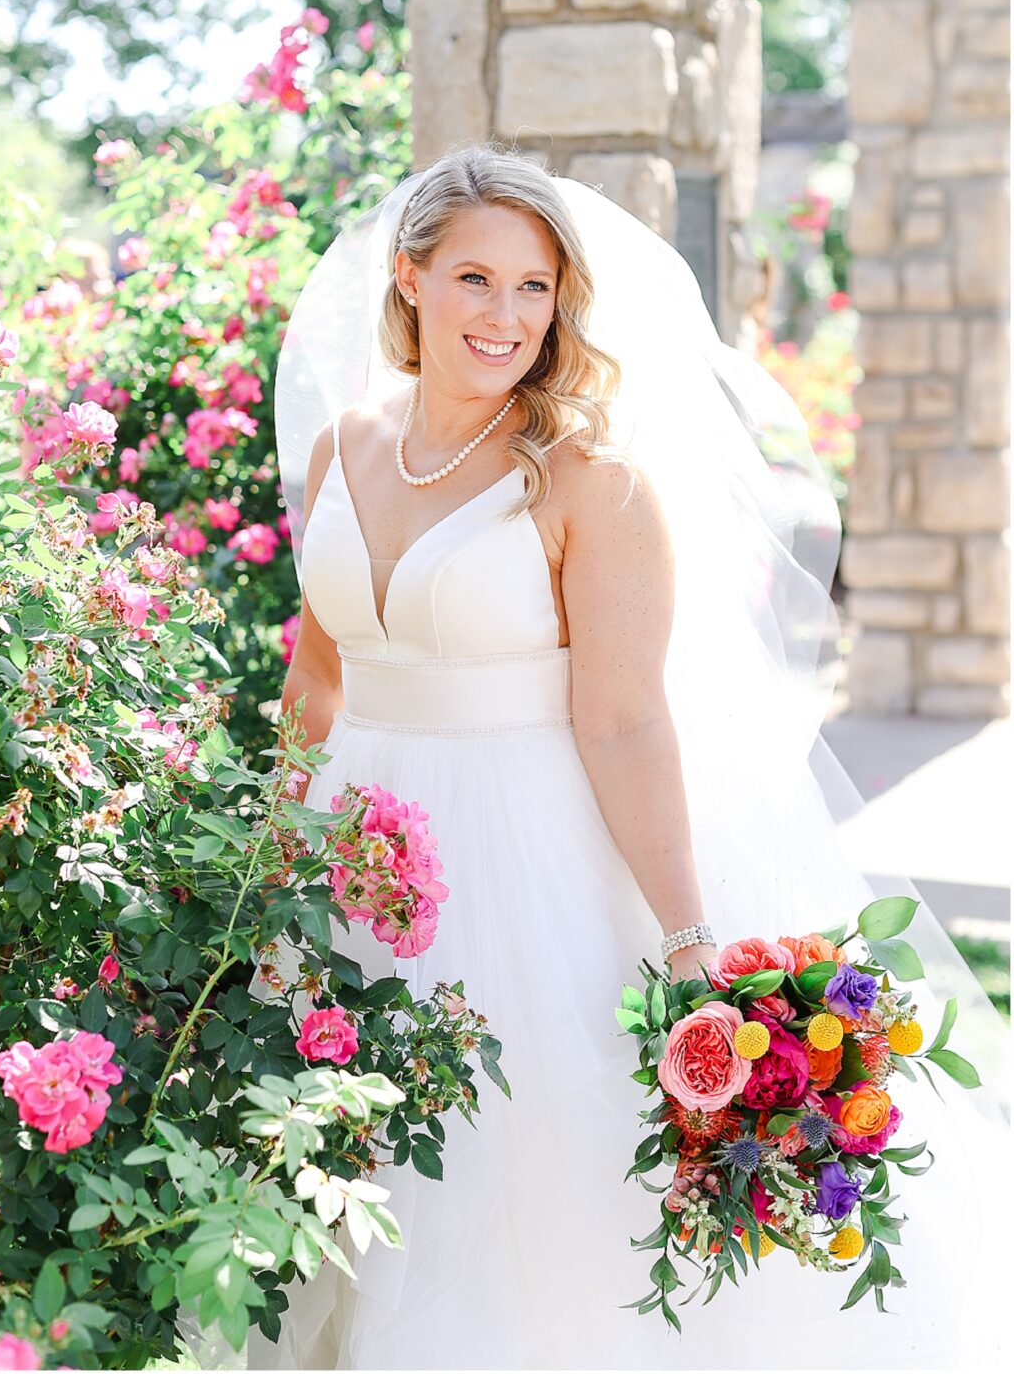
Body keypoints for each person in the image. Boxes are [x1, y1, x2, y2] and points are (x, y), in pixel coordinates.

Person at [248, 142, 1009, 1370]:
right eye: (476, 280)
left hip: (515, 861)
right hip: (345, 862)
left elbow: (622, 719)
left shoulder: (587, 482)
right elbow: (320, 675)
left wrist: (689, 938)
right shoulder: (347, 445)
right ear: (408, 279)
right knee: (341, 1178)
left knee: (511, 1188)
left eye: (534, 288)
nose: (505, 315)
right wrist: (259, 857)